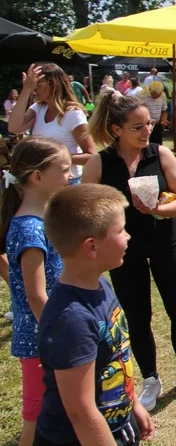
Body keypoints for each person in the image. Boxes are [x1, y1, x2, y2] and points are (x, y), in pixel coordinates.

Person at [84, 90, 176, 411]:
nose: (147, 132)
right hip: (124, 251)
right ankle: (150, 378)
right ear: (116, 129)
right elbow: (86, 210)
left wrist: (159, 208)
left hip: (165, 242)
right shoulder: (100, 163)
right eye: (138, 127)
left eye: (149, 124)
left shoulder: (160, 154)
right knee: (138, 317)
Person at [36, 184, 154, 445]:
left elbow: (116, 358)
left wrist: (132, 404)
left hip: (114, 425)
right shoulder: (72, 320)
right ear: (91, 247)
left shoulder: (100, 285)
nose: (128, 237)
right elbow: (81, 413)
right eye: (121, 230)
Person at [1, 137, 71, 445]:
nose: (70, 176)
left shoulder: (39, 220)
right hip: (40, 342)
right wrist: (57, 336)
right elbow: (35, 294)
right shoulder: (30, 229)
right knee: (37, 413)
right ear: (38, 177)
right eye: (65, 170)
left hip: (46, 335)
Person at [9, 63, 96, 186]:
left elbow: (91, 156)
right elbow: (14, 127)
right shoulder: (38, 108)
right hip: (42, 184)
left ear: (53, 84)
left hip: (67, 183)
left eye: (38, 84)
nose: (34, 89)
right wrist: (25, 90)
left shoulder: (73, 114)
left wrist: (56, 158)